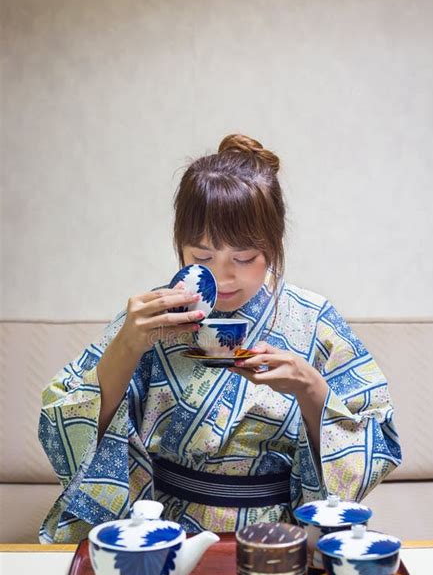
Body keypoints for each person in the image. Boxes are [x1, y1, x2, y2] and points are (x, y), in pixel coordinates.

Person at [38, 133, 402, 543]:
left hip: (278, 536)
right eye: (202, 256)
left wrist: (311, 389)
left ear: (274, 244)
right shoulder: (153, 316)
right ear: (180, 246)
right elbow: (63, 425)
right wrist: (126, 345)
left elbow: (375, 438)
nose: (225, 276)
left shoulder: (314, 319)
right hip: (165, 532)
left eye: (244, 258)